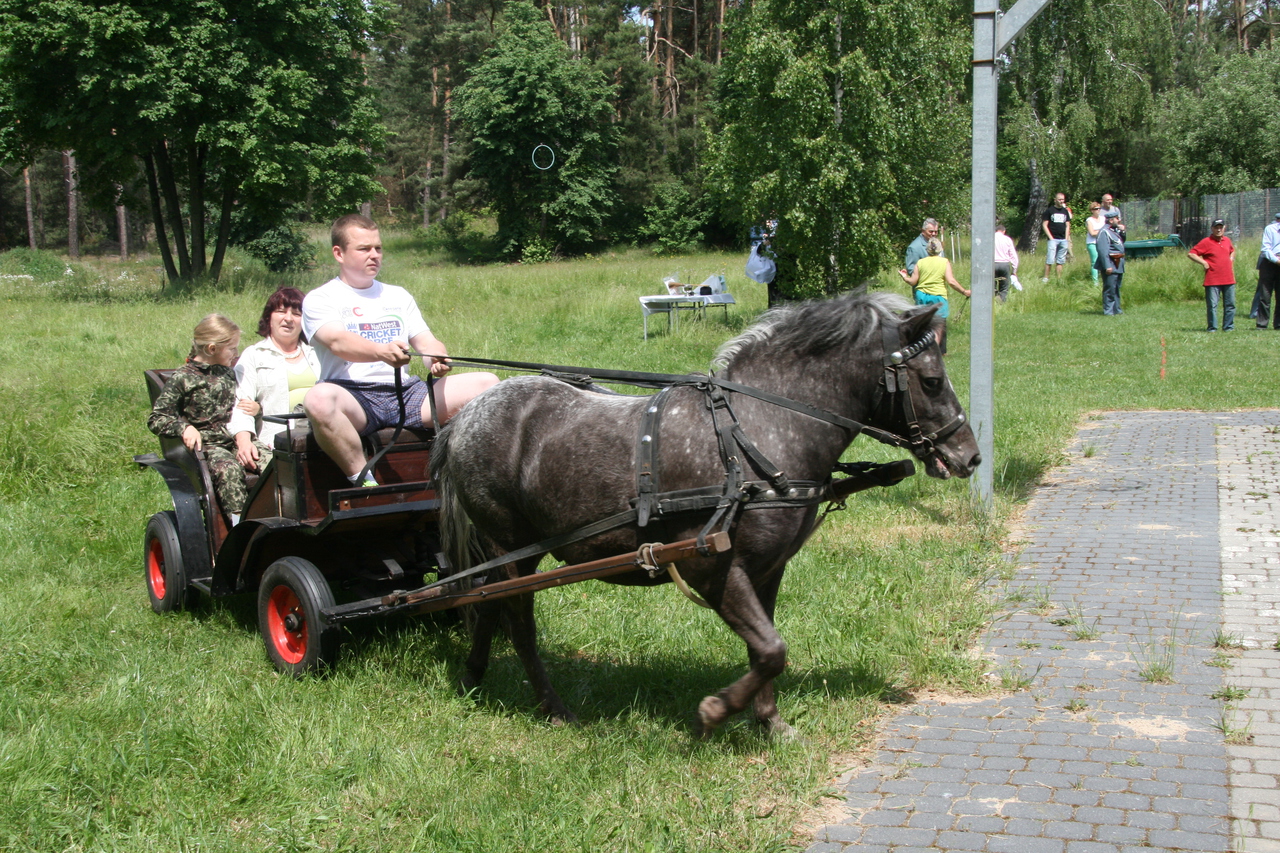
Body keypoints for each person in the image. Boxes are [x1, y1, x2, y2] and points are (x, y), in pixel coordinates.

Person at [302, 214, 500, 487]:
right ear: (339, 253)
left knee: (488, 384)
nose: (374, 255)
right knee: (318, 399)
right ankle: (363, 479)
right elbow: (338, 341)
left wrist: (436, 358)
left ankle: (467, 470)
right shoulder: (320, 298)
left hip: (406, 393)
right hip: (353, 396)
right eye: (364, 249)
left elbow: (426, 341)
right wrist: (381, 352)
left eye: (378, 248)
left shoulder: (397, 295)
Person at [148, 314, 266, 524]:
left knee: (277, 463)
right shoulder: (183, 378)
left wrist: (257, 408)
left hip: (236, 438)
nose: (236, 353)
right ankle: (239, 526)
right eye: (232, 348)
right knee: (228, 470)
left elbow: (243, 403)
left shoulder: (229, 374)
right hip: (209, 445)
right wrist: (184, 427)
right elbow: (157, 417)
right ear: (212, 349)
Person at [228, 287, 322, 471]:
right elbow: (241, 404)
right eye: (281, 311)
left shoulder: (318, 353)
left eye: (296, 313)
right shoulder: (254, 355)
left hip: (322, 437)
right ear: (269, 318)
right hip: (277, 443)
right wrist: (244, 441)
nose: (288, 318)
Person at [898, 237, 970, 353]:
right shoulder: (944, 262)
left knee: (923, 324)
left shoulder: (920, 262)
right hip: (938, 296)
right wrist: (964, 291)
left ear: (927, 250)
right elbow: (951, 281)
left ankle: (921, 349)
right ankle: (935, 351)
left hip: (921, 295)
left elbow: (913, 281)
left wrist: (904, 276)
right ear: (940, 250)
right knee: (938, 325)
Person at [1188, 219, 1236, 332]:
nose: (1218, 230)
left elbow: (1232, 250)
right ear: (1212, 229)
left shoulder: (1227, 240)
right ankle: (1212, 328)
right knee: (1212, 306)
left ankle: (1228, 327)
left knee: (1230, 305)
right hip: (1213, 279)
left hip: (1228, 278)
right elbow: (1191, 254)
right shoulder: (1206, 242)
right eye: (1216, 227)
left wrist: (1231, 258)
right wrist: (1204, 262)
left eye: (1220, 227)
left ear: (1224, 228)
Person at [1095, 210, 1126, 315]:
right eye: (1117, 218)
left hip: (1118, 262)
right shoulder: (1104, 232)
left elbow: (1121, 241)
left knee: (1116, 287)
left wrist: (1123, 232)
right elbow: (1103, 250)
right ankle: (1108, 311)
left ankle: (1117, 309)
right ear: (1111, 220)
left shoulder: (1114, 230)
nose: (1119, 220)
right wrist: (1107, 266)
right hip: (1111, 263)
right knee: (1110, 288)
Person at [1254, 212, 1280, 329]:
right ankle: (1262, 324)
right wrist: (1276, 260)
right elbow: (1266, 248)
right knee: (1265, 294)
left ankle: (1278, 324)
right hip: (1269, 263)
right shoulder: (1270, 229)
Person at [1041, 192, 1072, 281]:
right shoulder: (1049, 211)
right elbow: (1044, 225)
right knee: (1050, 259)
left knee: (1060, 260)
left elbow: (1067, 225)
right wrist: (1051, 238)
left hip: (1063, 239)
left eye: (1062, 199)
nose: (1061, 201)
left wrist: (1066, 238)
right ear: (1055, 200)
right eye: (1059, 199)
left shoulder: (1065, 211)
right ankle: (1046, 278)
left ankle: (1059, 278)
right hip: (1053, 239)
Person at [993, 221, 1019, 303]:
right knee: (1004, 287)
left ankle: (994, 297)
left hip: (992, 264)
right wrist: (1014, 270)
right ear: (1004, 231)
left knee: (992, 284)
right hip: (1004, 265)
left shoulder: (990, 238)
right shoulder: (1007, 239)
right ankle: (1001, 302)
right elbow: (1014, 256)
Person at [1084, 202, 1105, 284]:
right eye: (1096, 209)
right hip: (1092, 243)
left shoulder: (1103, 218)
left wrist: (1098, 231)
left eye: (1099, 208)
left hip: (1102, 243)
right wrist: (1102, 231)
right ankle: (1095, 282)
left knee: (1104, 260)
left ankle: (1103, 278)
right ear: (1092, 210)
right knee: (1095, 262)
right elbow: (1092, 233)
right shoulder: (1089, 220)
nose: (1098, 210)